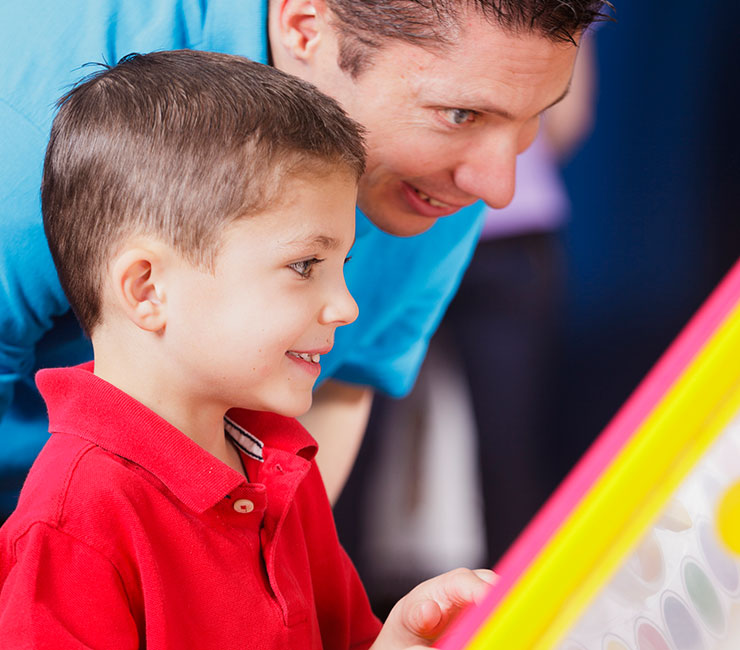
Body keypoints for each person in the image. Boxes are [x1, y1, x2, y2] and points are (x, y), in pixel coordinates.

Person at [0, 0, 609, 516]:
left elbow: (340, 386)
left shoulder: (446, 167)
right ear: (305, 30)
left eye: (536, 115)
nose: (498, 187)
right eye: (459, 115)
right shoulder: (33, 128)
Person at [0, 50, 495, 648]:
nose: (345, 306)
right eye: (304, 265)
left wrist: (397, 639)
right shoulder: (71, 525)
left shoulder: (281, 461)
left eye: (342, 265)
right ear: (147, 289)